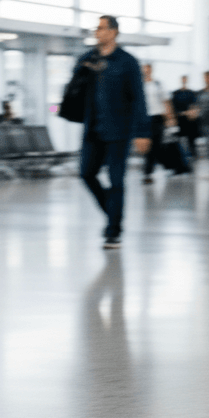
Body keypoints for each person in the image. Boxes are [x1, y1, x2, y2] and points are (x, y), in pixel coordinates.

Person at [73, 15, 150, 249]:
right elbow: (75, 87)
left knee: (116, 181)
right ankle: (112, 211)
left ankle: (113, 231)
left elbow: (138, 98)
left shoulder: (127, 62)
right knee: (86, 173)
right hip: (93, 129)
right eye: (96, 29)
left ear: (114, 32)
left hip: (119, 131)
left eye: (102, 28)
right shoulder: (87, 58)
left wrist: (142, 132)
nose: (97, 33)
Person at [140, 64, 174, 184]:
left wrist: (170, 119)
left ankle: (148, 173)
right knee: (150, 146)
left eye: (148, 69)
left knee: (156, 144)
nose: (146, 71)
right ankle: (163, 168)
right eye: (144, 69)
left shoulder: (158, 85)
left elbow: (166, 102)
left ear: (151, 70)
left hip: (157, 118)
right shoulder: (139, 86)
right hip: (144, 119)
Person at [171, 75, 199, 159]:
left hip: (190, 120)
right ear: (181, 80)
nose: (184, 81)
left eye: (185, 79)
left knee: (191, 138)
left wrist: (191, 112)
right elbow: (173, 106)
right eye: (183, 79)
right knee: (179, 138)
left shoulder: (191, 93)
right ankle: (180, 156)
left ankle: (193, 155)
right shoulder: (176, 93)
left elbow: (194, 106)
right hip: (179, 119)